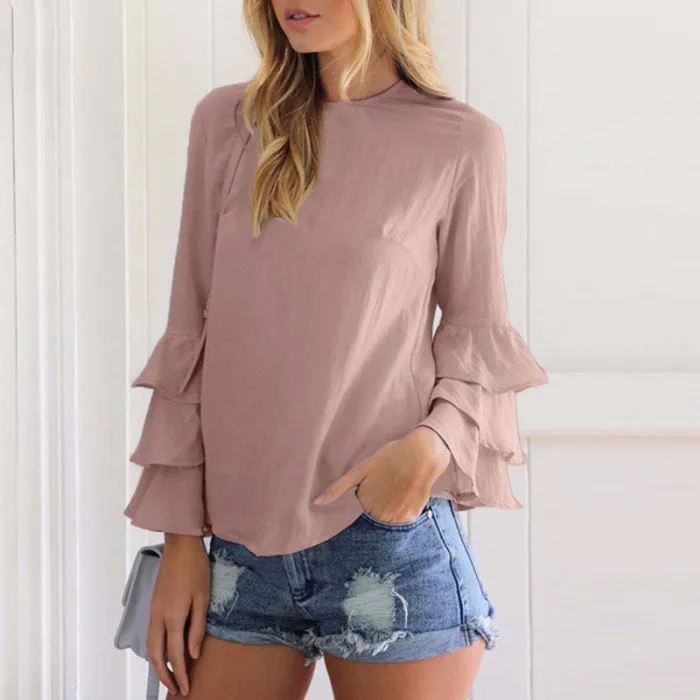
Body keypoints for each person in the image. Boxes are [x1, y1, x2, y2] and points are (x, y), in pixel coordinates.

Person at [123, 1, 549, 698]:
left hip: (390, 539)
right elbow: (189, 332)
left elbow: (476, 333)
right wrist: (179, 543)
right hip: (239, 551)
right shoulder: (228, 123)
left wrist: (432, 445)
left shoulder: (460, 141)